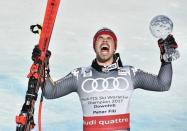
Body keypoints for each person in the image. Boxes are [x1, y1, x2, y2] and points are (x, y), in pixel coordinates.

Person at [32, 27, 178, 131]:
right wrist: (43, 64)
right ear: (95, 47)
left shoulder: (130, 73)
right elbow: (51, 92)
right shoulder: (80, 75)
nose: (104, 41)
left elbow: (162, 84)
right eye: (100, 39)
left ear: (114, 48)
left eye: (109, 39)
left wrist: (166, 59)